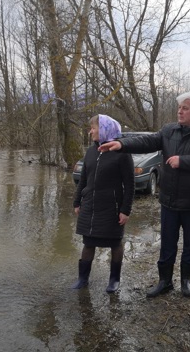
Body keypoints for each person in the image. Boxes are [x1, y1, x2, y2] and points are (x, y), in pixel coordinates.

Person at [99, 92, 190, 298]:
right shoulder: (168, 130)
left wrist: (182, 161)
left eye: (185, 108)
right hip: (169, 201)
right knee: (167, 244)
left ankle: (186, 281)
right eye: (179, 107)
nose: (180, 111)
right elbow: (147, 142)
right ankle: (164, 282)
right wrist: (122, 145)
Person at [72, 114, 135, 293]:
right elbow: (83, 179)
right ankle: (82, 279)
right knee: (88, 242)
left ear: (105, 129)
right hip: (90, 205)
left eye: (93, 128)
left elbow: (129, 184)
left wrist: (125, 210)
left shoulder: (121, 152)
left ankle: (114, 280)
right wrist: (77, 201)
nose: (90, 131)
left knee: (115, 243)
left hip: (112, 207)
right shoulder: (91, 151)